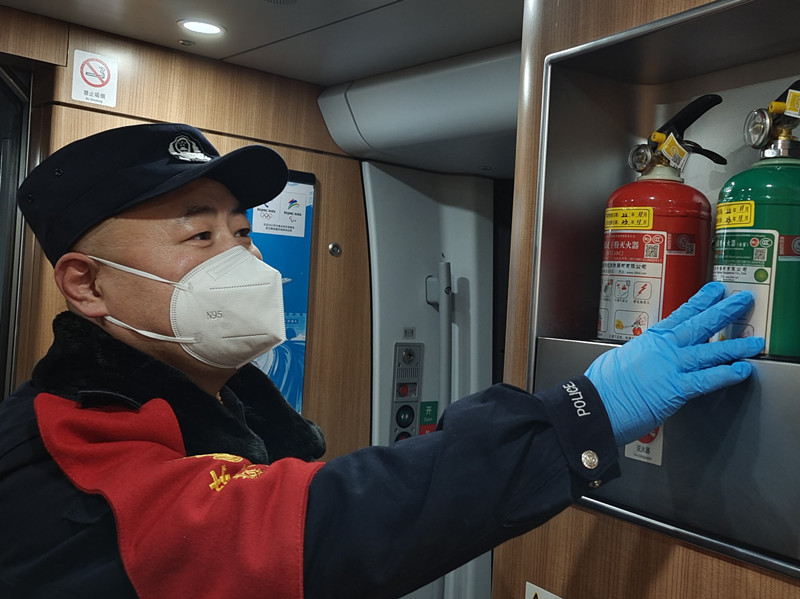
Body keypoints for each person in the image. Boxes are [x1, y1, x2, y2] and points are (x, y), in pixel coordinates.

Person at [0, 123, 763, 599]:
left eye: (242, 231)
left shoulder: (225, 409)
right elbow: (315, 526)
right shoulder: (67, 450)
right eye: (200, 236)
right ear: (87, 283)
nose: (241, 259)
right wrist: (584, 413)